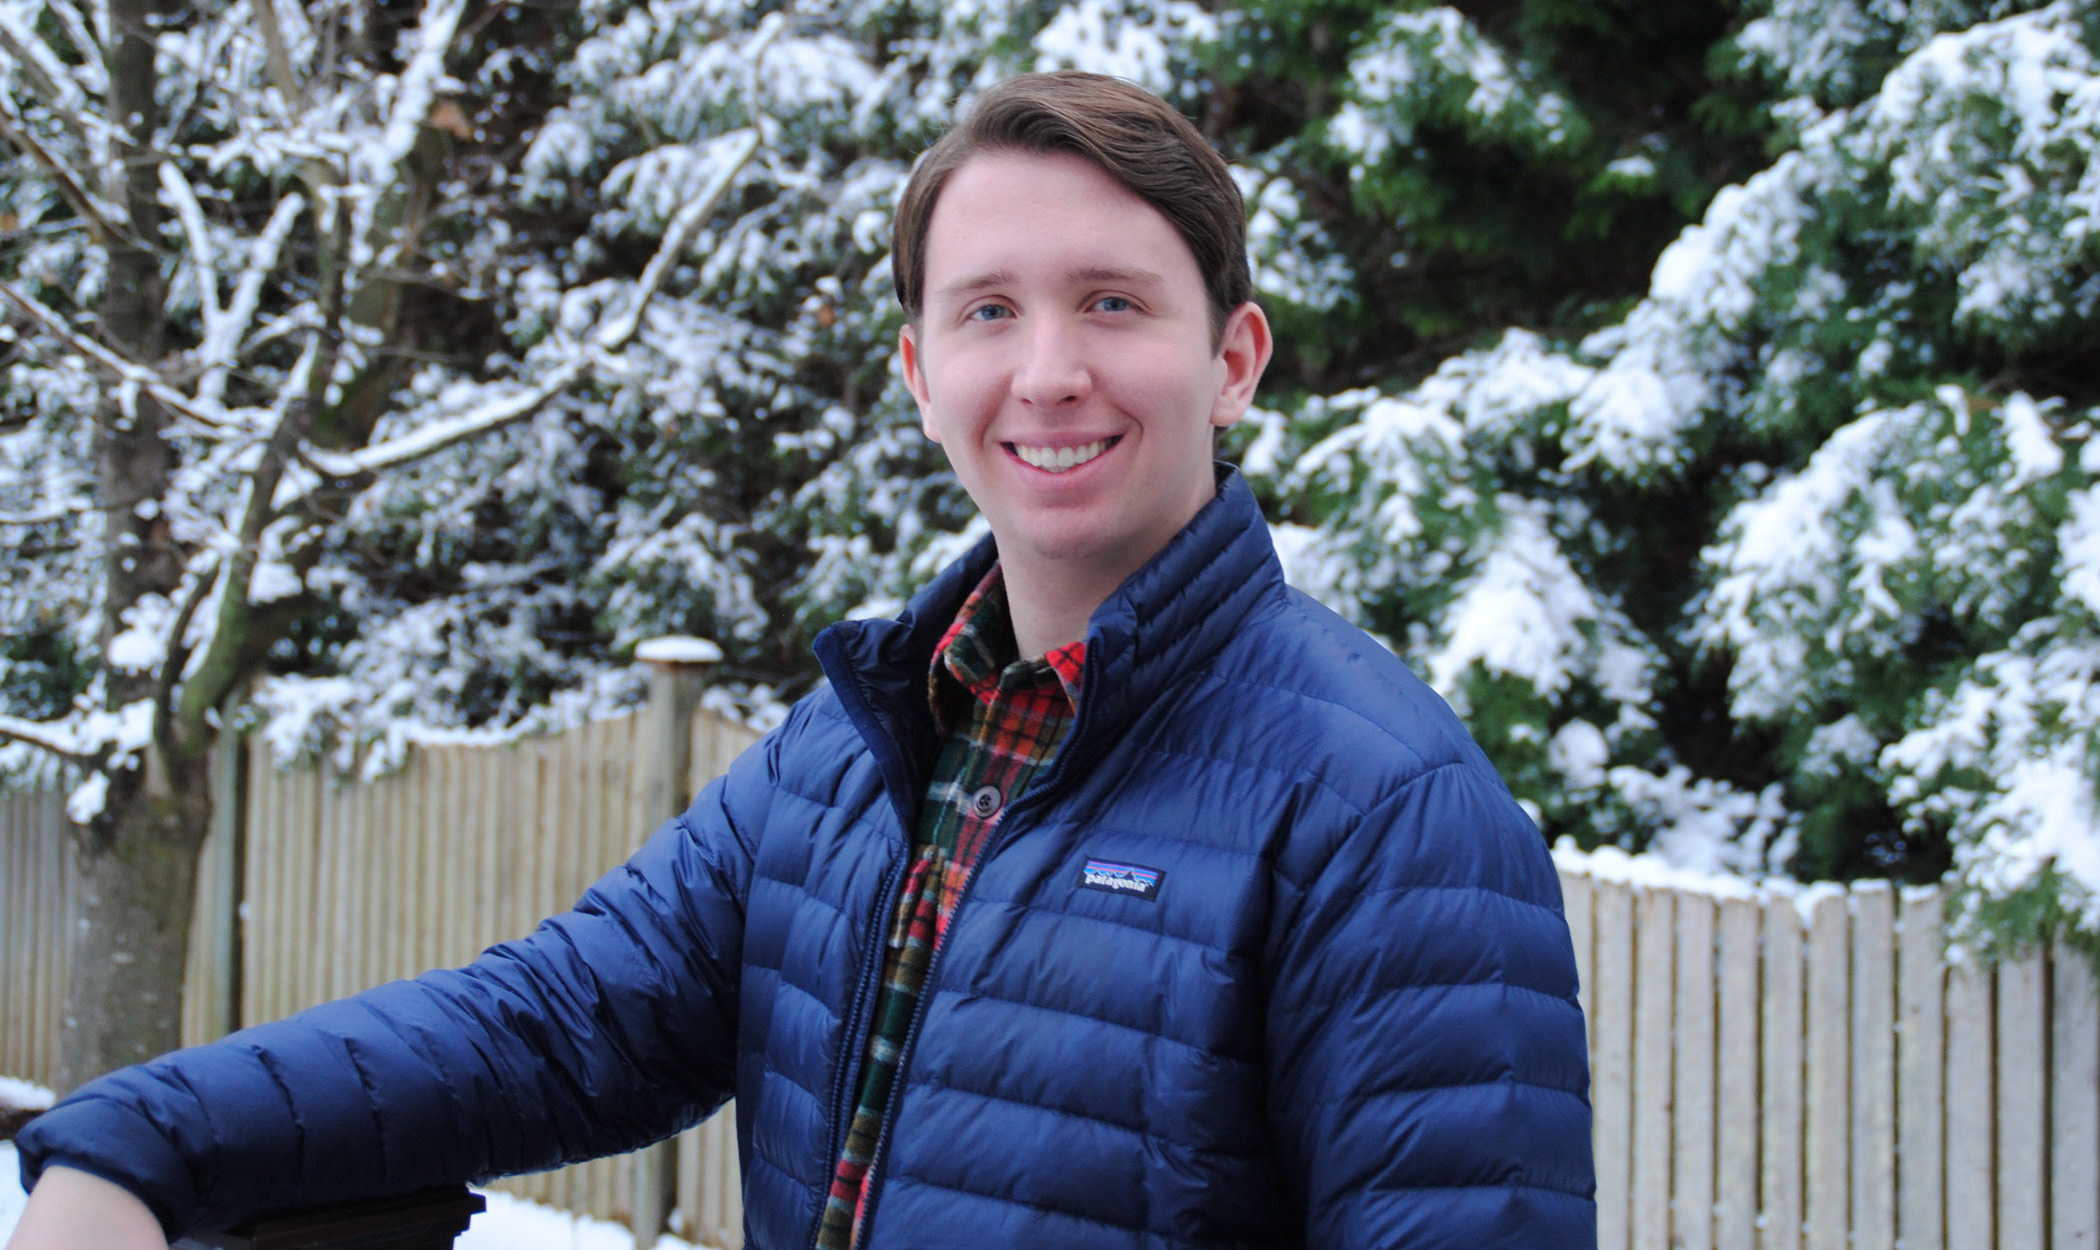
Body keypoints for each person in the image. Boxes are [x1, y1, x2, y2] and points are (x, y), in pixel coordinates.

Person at [11, 72, 1595, 1249]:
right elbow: (563, 1022)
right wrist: (146, 1136)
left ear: (1232, 358)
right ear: (920, 373)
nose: (1049, 370)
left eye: (1113, 302)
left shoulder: (1389, 816)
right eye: (988, 311)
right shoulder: (859, 752)